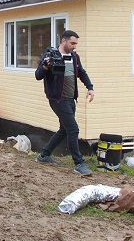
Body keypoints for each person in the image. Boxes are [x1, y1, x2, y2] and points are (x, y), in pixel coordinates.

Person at [34, 30, 95, 176]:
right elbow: (38, 75)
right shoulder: (51, 56)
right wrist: (45, 66)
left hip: (70, 99)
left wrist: (90, 88)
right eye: (72, 43)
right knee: (73, 129)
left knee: (64, 130)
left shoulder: (74, 57)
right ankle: (79, 164)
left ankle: (44, 155)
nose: (74, 46)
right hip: (57, 99)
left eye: (76, 44)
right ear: (63, 41)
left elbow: (81, 73)